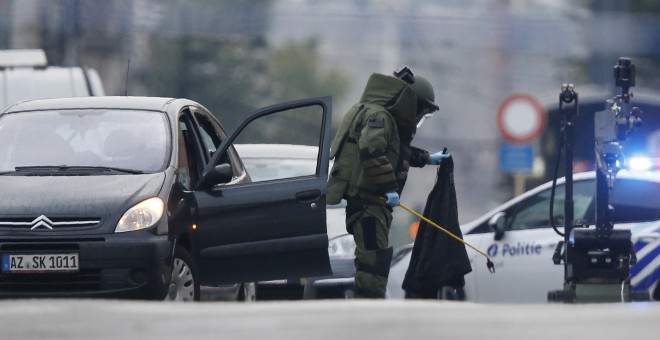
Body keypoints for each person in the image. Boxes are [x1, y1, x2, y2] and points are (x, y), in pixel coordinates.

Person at [326, 67, 447, 298]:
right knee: (373, 258)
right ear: (413, 103)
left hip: (369, 202)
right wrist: (389, 188)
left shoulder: (380, 115)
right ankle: (369, 308)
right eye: (422, 110)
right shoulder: (380, 117)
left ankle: (367, 305)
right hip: (368, 204)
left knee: (371, 256)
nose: (419, 117)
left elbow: (395, 151)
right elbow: (372, 151)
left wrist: (426, 158)